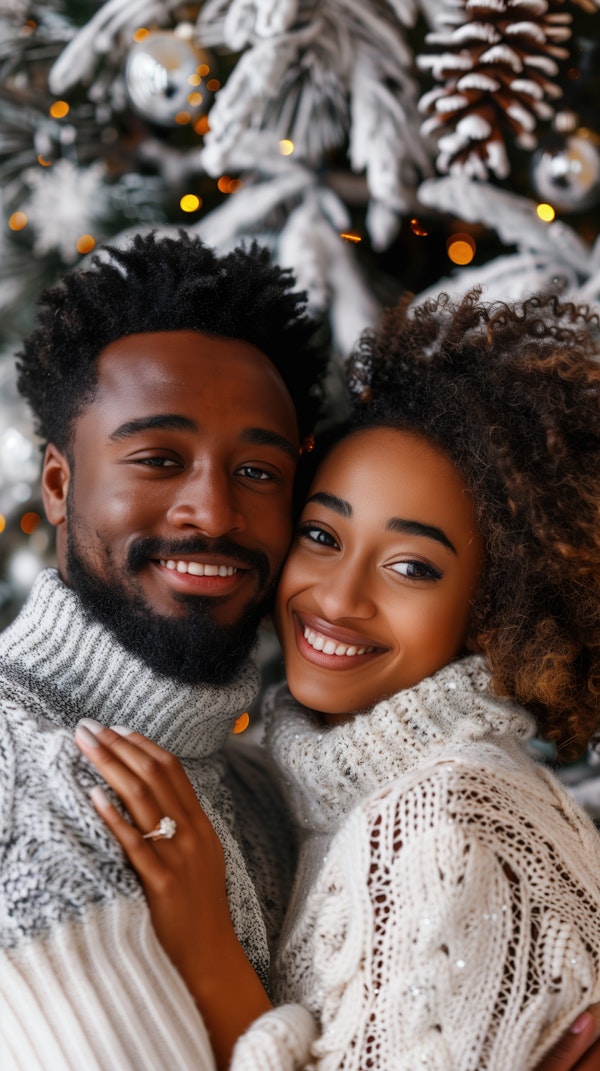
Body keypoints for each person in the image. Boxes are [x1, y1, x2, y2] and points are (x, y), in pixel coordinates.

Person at [76, 290, 600, 1071]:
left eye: (411, 567)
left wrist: (207, 948)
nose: (338, 598)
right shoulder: (325, 789)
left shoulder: (441, 819)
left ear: (494, 610)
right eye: (322, 534)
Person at [0, 231, 329, 1070]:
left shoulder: (265, 786)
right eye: (158, 458)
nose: (213, 512)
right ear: (59, 483)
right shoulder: (16, 778)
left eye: (258, 472)